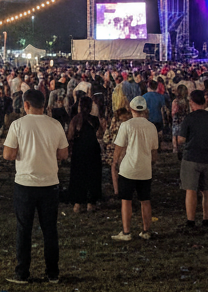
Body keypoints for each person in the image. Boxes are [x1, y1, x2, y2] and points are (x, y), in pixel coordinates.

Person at [3, 89, 69, 284]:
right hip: (50, 183)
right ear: (44, 105)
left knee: (24, 229)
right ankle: (52, 273)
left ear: (25, 105)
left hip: (25, 183)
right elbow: (64, 154)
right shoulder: (55, 124)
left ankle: (22, 272)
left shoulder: (18, 125)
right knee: (50, 229)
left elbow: (7, 154)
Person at [111, 96, 160, 241]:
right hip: (145, 169)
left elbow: (118, 147)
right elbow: (154, 152)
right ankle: (146, 230)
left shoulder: (126, 125)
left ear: (131, 109)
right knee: (145, 200)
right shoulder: (152, 127)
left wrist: (115, 162)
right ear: (144, 110)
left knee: (126, 201)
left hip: (128, 169)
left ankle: (126, 232)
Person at [176, 89, 208, 231]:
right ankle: (206, 220)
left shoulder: (189, 118)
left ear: (192, 102)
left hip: (191, 157)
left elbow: (181, 139)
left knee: (191, 190)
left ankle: (191, 221)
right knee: (207, 189)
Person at [65, 92, 104, 213]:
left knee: (78, 176)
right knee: (93, 176)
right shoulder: (94, 120)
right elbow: (100, 134)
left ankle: (77, 203)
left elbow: (70, 136)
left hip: (79, 150)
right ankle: (91, 203)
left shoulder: (75, 120)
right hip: (92, 150)